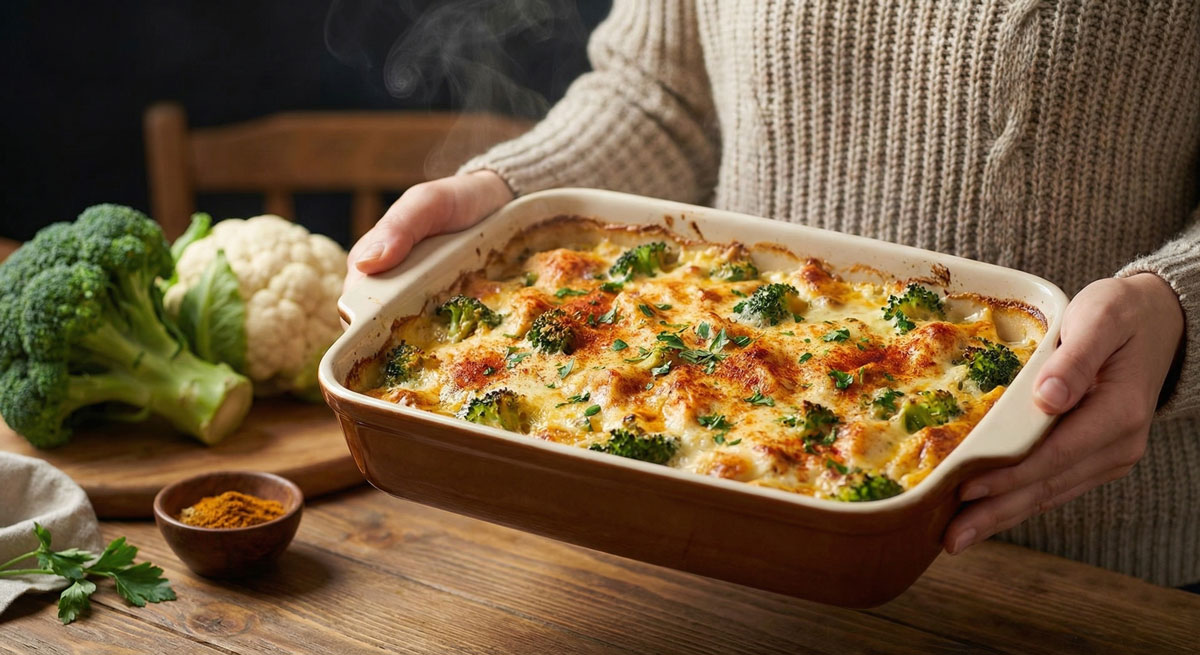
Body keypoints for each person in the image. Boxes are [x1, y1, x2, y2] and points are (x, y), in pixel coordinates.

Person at [345, 1, 1200, 586]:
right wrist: (510, 196)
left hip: (1092, 574)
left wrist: (1175, 305)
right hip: (690, 558)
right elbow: (659, 95)